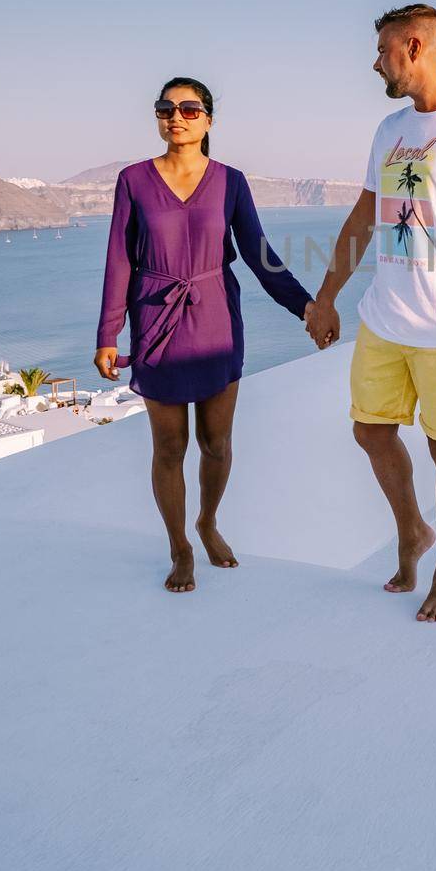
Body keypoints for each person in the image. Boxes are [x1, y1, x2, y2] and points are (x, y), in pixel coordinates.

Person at [306, 5, 436, 622]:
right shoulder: (388, 129)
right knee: (370, 431)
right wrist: (327, 297)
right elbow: (362, 220)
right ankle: (412, 533)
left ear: (415, 45)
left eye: (382, 50)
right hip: (384, 319)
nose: (375, 62)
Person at [93, 78, 314, 593]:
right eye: (166, 108)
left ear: (208, 120)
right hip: (155, 321)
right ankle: (179, 548)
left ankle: (208, 522)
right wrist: (109, 333)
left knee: (216, 443)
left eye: (189, 109)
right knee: (169, 447)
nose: (177, 116)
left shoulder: (231, 181)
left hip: (216, 317)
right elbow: (119, 259)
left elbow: (259, 254)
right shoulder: (134, 180)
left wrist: (305, 306)